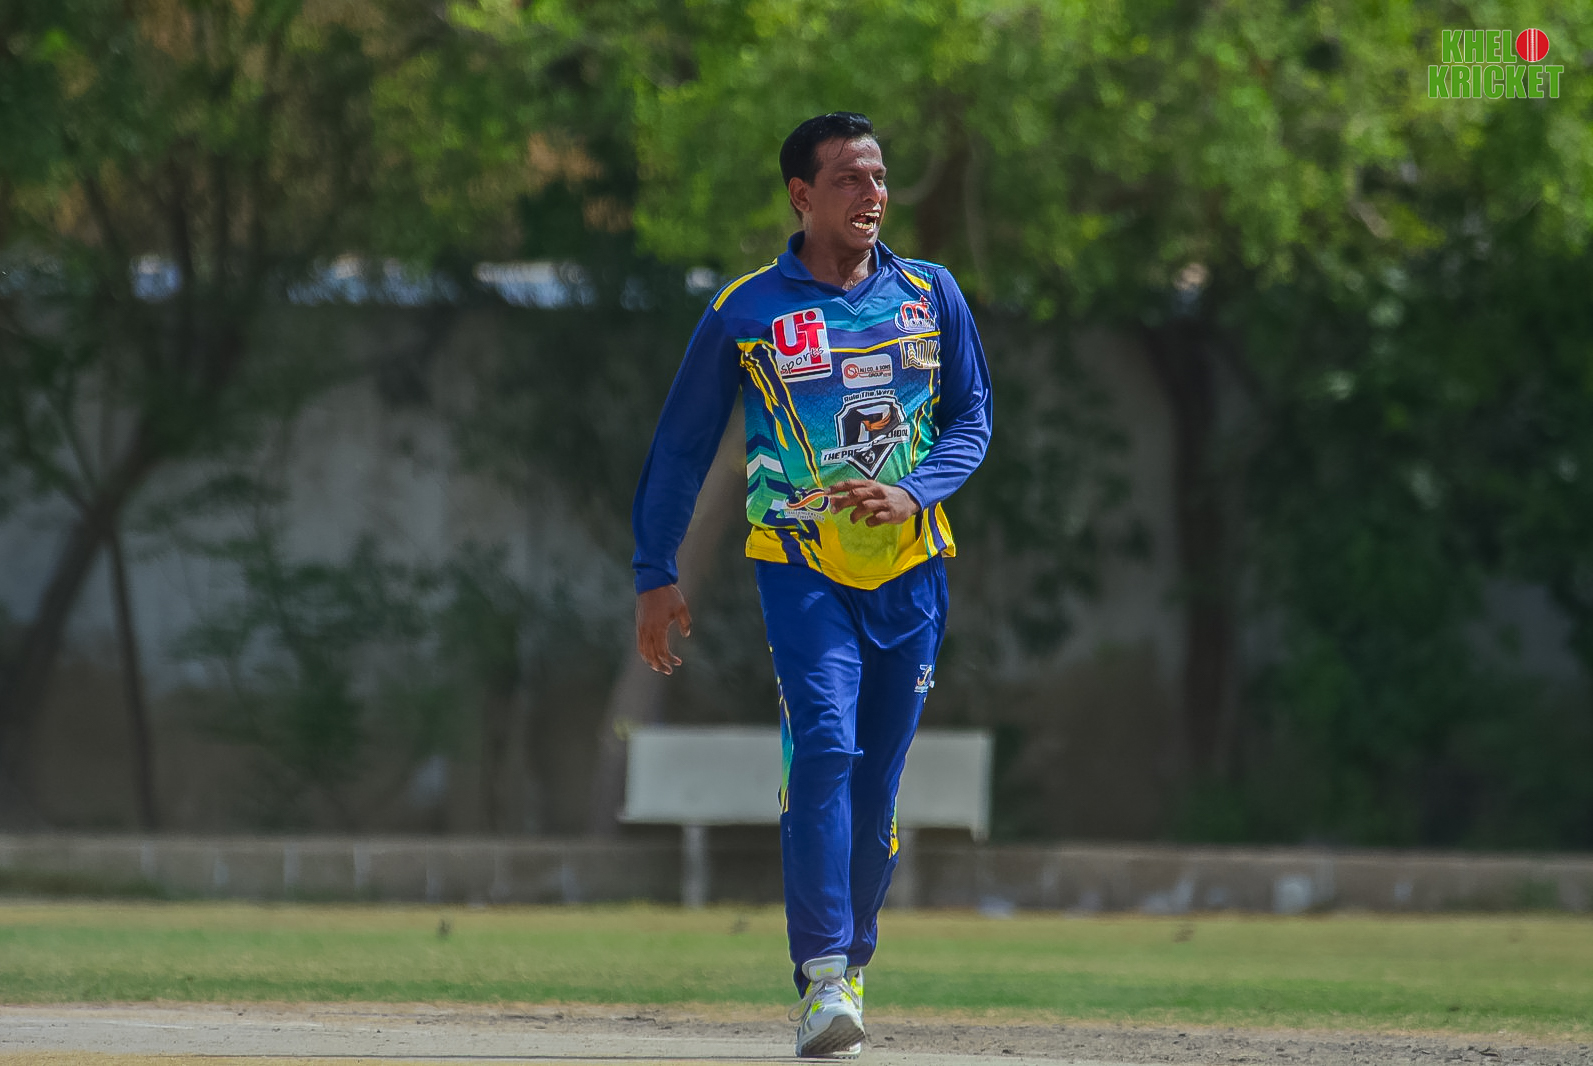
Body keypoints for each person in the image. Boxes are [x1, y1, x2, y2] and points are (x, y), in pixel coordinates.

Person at [631, 111, 992, 1059]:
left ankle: (851, 969)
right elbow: (679, 447)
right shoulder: (745, 309)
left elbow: (972, 420)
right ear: (801, 195)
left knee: (876, 786)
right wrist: (654, 570)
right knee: (824, 748)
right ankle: (823, 977)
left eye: (879, 178)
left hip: (911, 572)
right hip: (798, 567)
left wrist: (912, 491)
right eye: (849, 180)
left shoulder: (930, 293)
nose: (873, 195)